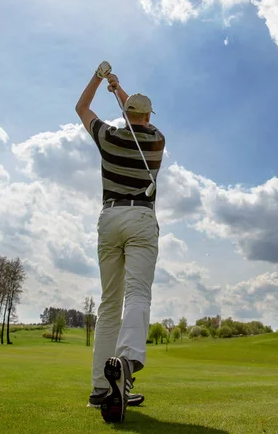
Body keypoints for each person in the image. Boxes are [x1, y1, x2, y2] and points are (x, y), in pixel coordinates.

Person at [75, 61, 165, 423]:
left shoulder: (108, 137)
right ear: (147, 115)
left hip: (109, 218)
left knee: (109, 304)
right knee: (137, 295)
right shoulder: (157, 139)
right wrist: (122, 89)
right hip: (141, 218)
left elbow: (82, 108)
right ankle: (125, 363)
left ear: (125, 113)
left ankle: (101, 387)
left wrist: (101, 80)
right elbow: (138, 116)